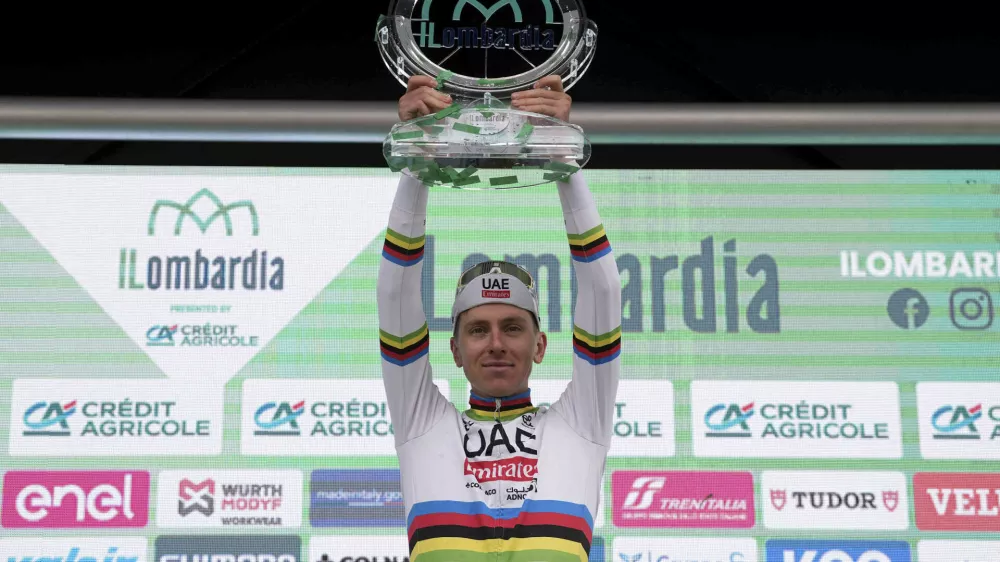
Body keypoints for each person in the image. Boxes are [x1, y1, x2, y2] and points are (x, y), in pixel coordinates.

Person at [377, 74, 621, 562]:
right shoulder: (421, 423)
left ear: (540, 345)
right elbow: (395, 294)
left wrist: (562, 158)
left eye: (512, 327)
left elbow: (603, 291)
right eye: (477, 330)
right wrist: (417, 159)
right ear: (454, 349)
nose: (495, 343)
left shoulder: (581, 424)